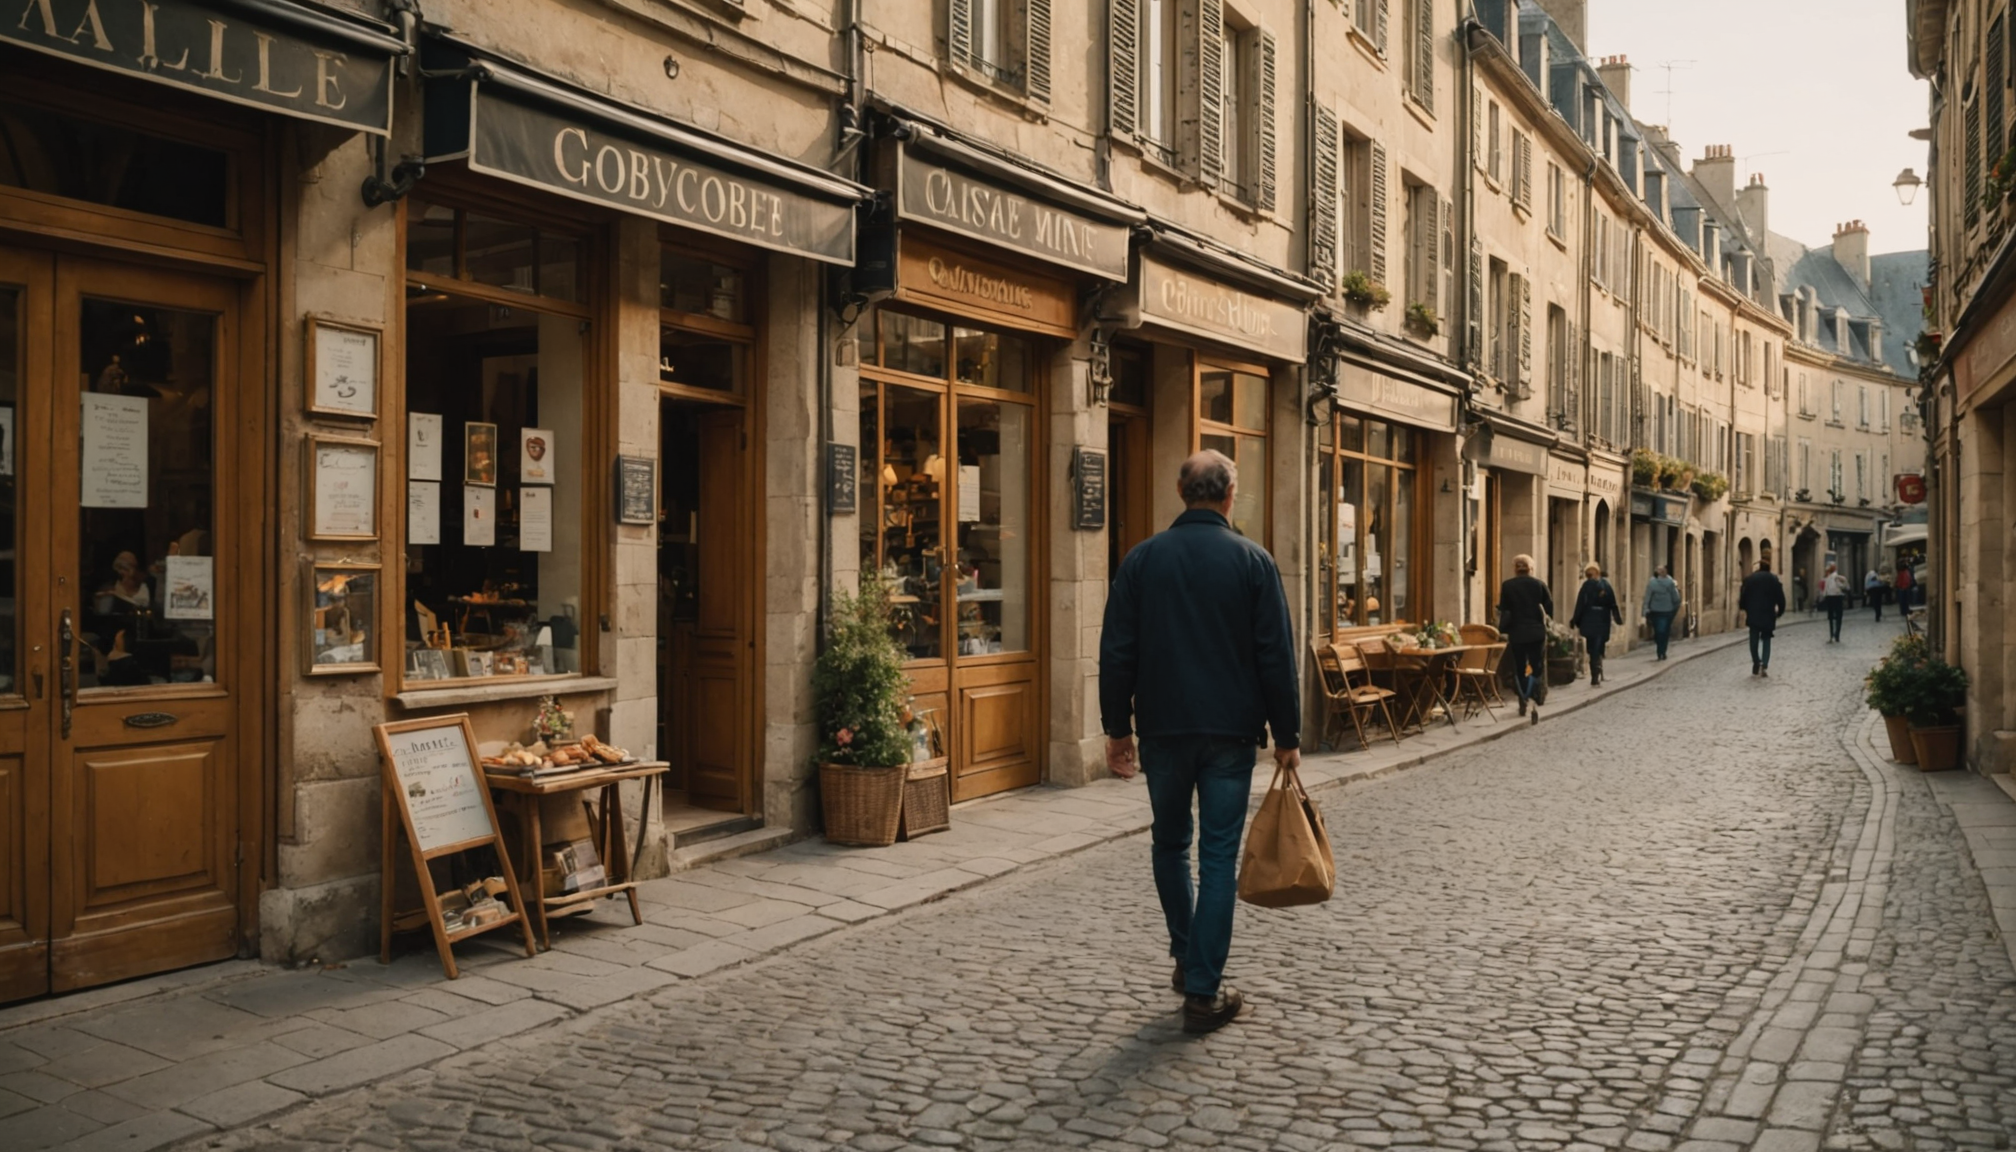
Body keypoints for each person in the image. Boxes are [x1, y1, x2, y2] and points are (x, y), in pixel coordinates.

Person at [1099, 450, 1299, 1036]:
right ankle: (1204, 991)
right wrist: (1287, 735)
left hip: (1162, 729)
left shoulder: (1142, 561)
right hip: (1231, 733)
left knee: (1168, 844)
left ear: (1181, 492)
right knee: (1216, 859)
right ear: (1229, 495)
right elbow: (1275, 656)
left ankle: (1188, 960)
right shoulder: (1253, 561)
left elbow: (1117, 653)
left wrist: (1117, 729)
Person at [1497, 554, 1554, 724]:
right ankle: (1535, 695)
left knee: (1520, 666)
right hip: (1536, 632)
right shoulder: (1539, 584)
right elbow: (1550, 607)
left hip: (1518, 633)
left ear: (1515, 568)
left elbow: (1504, 608)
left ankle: (1523, 698)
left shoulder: (1507, 585)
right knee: (1536, 666)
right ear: (1531, 568)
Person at [1573, 563, 1625, 686]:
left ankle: (1596, 674)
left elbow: (1580, 605)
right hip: (1600, 619)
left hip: (1592, 619)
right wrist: (1617, 618)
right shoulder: (1604, 585)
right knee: (1597, 646)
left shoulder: (1589, 586)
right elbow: (1613, 603)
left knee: (1594, 648)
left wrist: (1576, 620)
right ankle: (1597, 673)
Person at [1739, 559, 1788, 676]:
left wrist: (1744, 608)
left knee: (1753, 639)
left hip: (1754, 613)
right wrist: (1780, 612)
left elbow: (1743, 596)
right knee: (1767, 639)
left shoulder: (1750, 579)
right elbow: (1781, 598)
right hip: (1768, 613)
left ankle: (1756, 661)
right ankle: (1764, 664)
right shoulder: (1773, 579)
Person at [1642, 565, 1681, 660]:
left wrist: (1645, 610)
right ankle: (1662, 651)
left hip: (1655, 611)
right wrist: (1674, 608)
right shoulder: (1670, 583)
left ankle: (1660, 651)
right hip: (1667, 611)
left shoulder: (1652, 583)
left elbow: (1647, 598)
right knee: (1665, 632)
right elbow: (1676, 598)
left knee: (1658, 631)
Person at [1819, 564, 1850, 642]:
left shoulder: (1833, 578)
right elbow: (1844, 586)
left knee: (1832, 617)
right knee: (1838, 617)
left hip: (1831, 597)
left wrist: (1824, 596)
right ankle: (1836, 635)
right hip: (1836, 597)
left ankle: (1833, 635)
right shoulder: (1833, 577)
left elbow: (1826, 589)